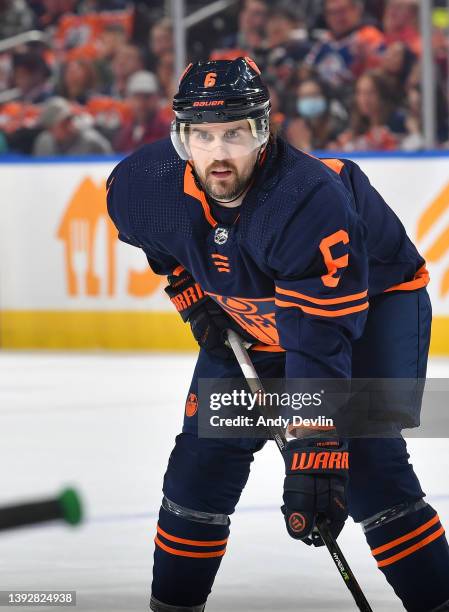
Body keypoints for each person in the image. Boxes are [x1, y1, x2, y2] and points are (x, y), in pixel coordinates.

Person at [107, 58, 449, 611]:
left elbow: (318, 342)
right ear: (180, 138)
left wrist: (317, 448)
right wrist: (185, 288)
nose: (218, 154)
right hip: (255, 314)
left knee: (368, 468)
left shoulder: (308, 200)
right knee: (202, 462)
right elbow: (159, 243)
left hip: (375, 308)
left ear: (263, 130)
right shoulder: (142, 188)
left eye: (236, 133)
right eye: (203, 135)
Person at [305, 0, 385, 95]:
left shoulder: (369, 36)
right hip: (322, 95)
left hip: (353, 95)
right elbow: (308, 67)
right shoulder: (325, 40)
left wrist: (365, 60)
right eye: (332, 13)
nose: (338, 17)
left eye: (342, 11)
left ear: (357, 10)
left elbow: (380, 74)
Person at [113, 70, 170, 153]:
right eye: (137, 97)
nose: (141, 103)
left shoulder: (167, 131)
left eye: (147, 97)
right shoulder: (123, 132)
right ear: (129, 99)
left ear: (157, 98)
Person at [33, 96, 112, 156]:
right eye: (63, 123)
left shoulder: (92, 142)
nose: (69, 125)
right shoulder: (44, 143)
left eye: (70, 119)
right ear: (50, 129)